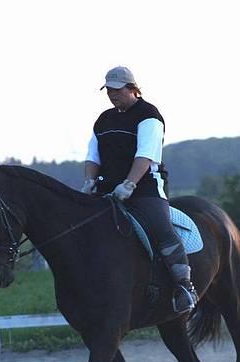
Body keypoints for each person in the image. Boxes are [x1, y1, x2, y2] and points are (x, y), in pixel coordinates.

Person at [82, 66, 198, 314]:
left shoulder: (148, 115)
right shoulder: (104, 119)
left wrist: (129, 184)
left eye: (117, 89)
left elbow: (145, 155)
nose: (112, 95)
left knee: (160, 227)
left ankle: (184, 286)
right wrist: (89, 181)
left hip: (144, 186)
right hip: (107, 187)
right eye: (109, 90)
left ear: (132, 88)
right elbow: (93, 156)